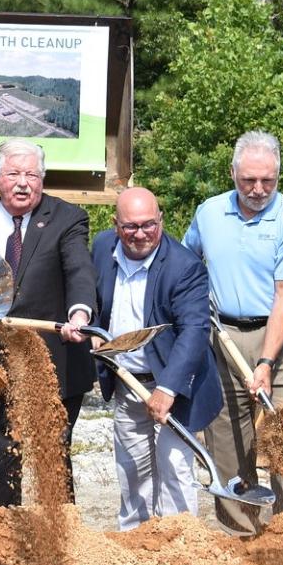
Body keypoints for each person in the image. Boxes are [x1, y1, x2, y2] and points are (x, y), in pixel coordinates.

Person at [0, 139, 96, 508]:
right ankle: (1, 539)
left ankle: (59, 537)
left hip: (51, 360)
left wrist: (80, 312)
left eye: (31, 174)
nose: (23, 183)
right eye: (14, 173)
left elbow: (78, 269)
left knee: (52, 456)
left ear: (42, 179)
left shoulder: (67, 218)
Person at [184, 130, 283, 536]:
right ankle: (241, 536)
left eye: (268, 182)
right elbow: (186, 264)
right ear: (233, 173)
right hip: (222, 336)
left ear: (278, 176)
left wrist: (265, 362)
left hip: (281, 340)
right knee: (226, 441)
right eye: (248, 181)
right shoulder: (209, 213)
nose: (258, 190)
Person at [92, 187, 222, 531]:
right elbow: (92, 297)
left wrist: (168, 387)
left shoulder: (184, 266)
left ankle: (180, 540)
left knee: (175, 465)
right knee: (132, 468)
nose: (140, 234)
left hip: (175, 384)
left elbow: (194, 330)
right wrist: (89, 324)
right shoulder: (102, 248)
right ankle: (135, 539)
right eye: (131, 227)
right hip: (127, 380)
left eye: (149, 225)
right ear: (115, 224)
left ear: (160, 220)